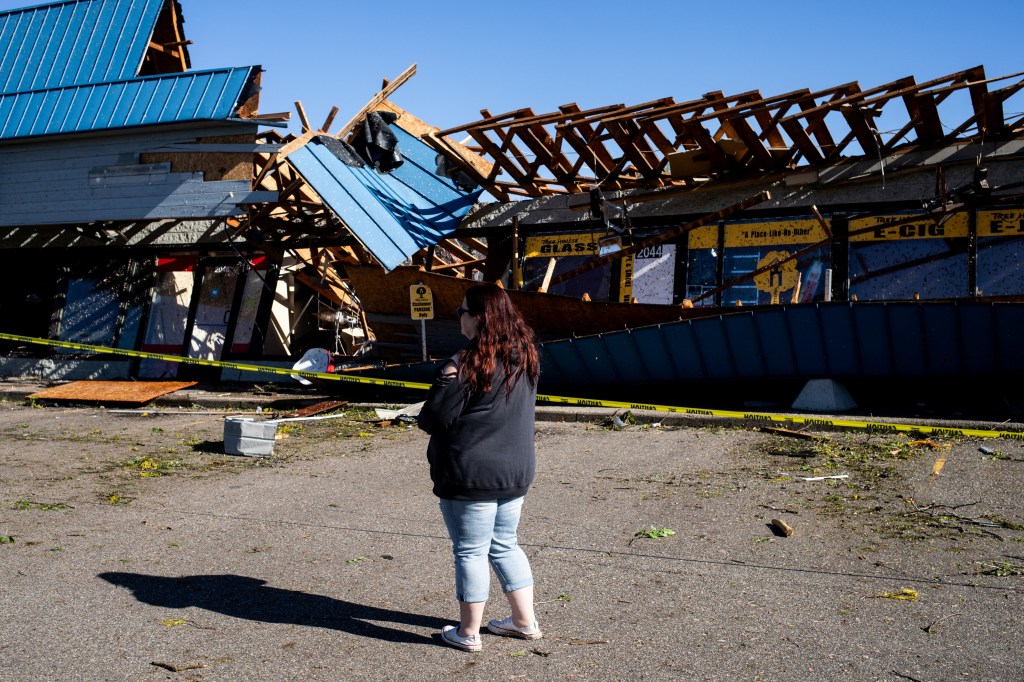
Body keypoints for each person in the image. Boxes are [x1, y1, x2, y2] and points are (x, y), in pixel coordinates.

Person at [416, 283, 543, 652]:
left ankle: (467, 632)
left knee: (470, 550)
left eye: (461, 311)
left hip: (470, 471)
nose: (459, 317)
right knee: (505, 545)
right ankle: (524, 622)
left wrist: (444, 378)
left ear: (478, 317)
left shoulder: (466, 362)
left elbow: (434, 418)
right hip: (515, 470)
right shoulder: (526, 355)